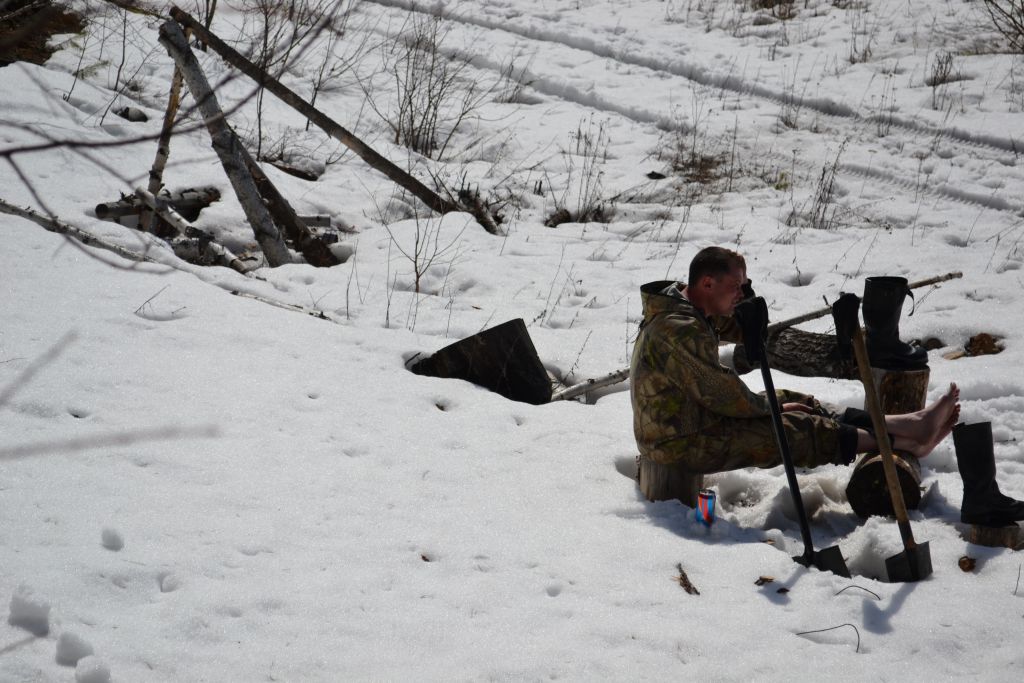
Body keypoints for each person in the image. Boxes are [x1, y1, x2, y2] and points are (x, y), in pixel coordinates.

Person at [629, 246, 960, 474]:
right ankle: (904, 443)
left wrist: (748, 301)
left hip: (695, 419)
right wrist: (774, 409)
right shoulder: (679, 329)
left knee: (795, 401)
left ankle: (907, 423)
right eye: (735, 287)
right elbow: (722, 393)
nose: (739, 294)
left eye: (743, 287)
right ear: (707, 283)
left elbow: (742, 327)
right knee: (795, 430)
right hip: (676, 442)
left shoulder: (690, 305)